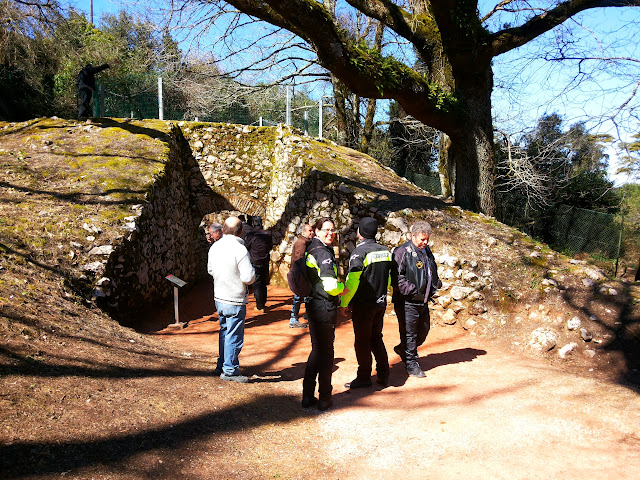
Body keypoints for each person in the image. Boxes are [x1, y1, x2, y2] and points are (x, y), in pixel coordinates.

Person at [340, 217, 393, 389]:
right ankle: (384, 374)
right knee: (376, 338)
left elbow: (353, 281)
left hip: (364, 305)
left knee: (362, 341)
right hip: (380, 302)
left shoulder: (359, 252)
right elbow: (389, 278)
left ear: (360, 233)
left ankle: (363, 377)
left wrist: (344, 302)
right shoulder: (385, 251)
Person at [302, 217, 345, 411]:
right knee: (327, 354)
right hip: (324, 308)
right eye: (326, 230)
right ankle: (325, 398)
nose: (330, 233)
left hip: (313, 306)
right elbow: (330, 286)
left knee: (317, 351)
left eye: (332, 230)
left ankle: (307, 395)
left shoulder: (312, 248)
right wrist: (342, 289)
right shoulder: (323, 253)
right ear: (317, 231)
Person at [207, 216, 256, 383]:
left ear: (224, 230)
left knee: (224, 331)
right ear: (241, 231)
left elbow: (210, 270)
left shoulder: (215, 247)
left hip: (219, 297)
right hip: (234, 299)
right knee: (234, 335)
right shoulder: (240, 249)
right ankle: (230, 370)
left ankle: (222, 364)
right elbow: (248, 277)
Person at [392, 220, 441, 378]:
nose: (425, 242)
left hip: (423, 300)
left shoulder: (427, 251)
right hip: (407, 301)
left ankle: (403, 349)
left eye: (427, 239)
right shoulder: (402, 252)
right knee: (410, 334)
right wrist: (412, 291)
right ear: (413, 236)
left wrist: (435, 283)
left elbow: (431, 268)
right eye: (422, 239)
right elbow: (397, 278)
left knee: (423, 330)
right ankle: (411, 364)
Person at [242, 216, 273, 311]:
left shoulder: (251, 235)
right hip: (265, 261)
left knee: (257, 284)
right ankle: (263, 302)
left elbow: (246, 246)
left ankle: (260, 306)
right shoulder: (268, 233)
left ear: (253, 224)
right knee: (263, 283)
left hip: (255, 262)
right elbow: (270, 246)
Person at [289, 224, 314, 328]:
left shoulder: (306, 242)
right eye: (309, 231)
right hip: (299, 274)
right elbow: (299, 260)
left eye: (312, 230)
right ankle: (293, 319)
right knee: (298, 296)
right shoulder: (301, 243)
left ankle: (307, 314)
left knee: (307, 295)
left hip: (302, 273)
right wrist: (303, 276)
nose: (312, 232)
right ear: (303, 232)